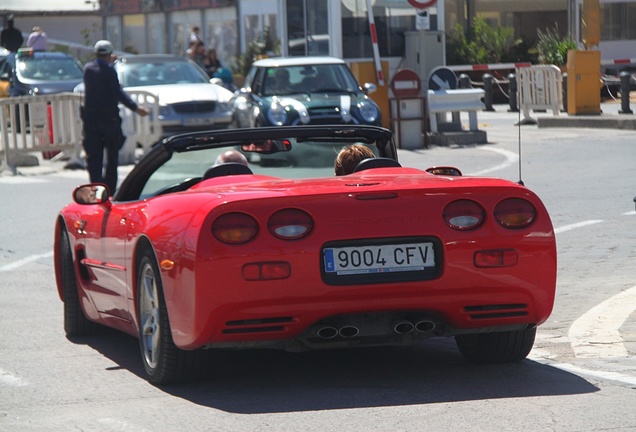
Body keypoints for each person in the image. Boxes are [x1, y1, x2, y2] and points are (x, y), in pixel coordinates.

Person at [81, 40, 149, 194]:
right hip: (109, 120)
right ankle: (109, 190)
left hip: (91, 121)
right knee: (112, 157)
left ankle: (96, 188)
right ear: (109, 54)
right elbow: (117, 92)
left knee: (94, 157)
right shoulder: (110, 71)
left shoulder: (88, 69)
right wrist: (136, 108)